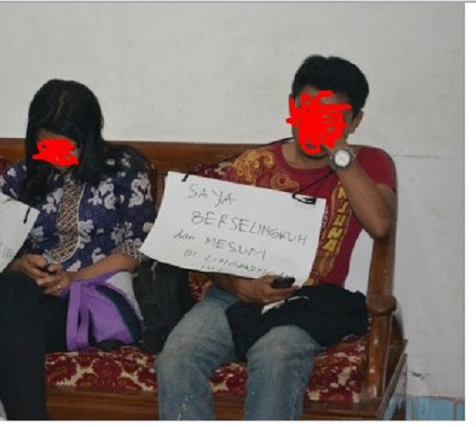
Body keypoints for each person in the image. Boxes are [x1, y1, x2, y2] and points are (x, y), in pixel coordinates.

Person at [155, 55, 397, 420]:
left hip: (308, 302)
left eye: (330, 118)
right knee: (177, 356)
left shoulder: (369, 163)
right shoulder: (253, 166)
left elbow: (380, 225)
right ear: (291, 108)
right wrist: (242, 286)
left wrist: (338, 152)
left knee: (277, 355)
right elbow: (208, 249)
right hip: (233, 294)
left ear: (355, 121)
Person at [0, 79, 156, 420]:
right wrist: (19, 265)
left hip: (96, 295)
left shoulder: (125, 170)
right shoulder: (19, 178)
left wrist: (73, 278)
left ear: (89, 138)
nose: (57, 158)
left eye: (66, 148)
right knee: (8, 287)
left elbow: (137, 248)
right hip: (31, 296)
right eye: (46, 146)